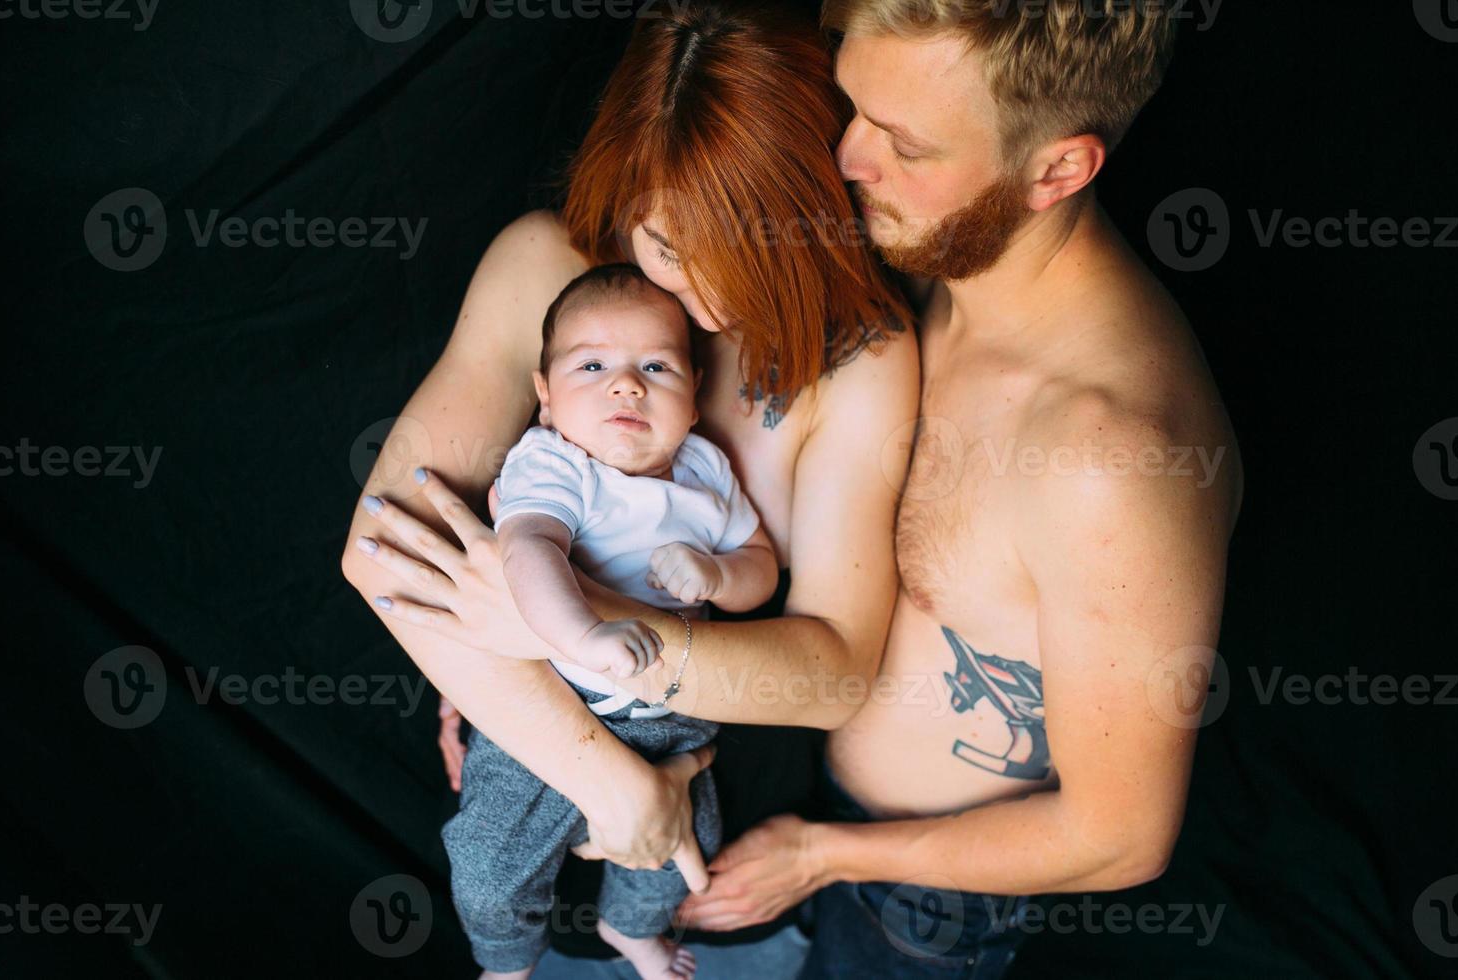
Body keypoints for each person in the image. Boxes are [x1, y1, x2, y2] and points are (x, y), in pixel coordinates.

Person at [666, 2, 1246, 977]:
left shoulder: (1108, 456)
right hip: (785, 784)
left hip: (918, 899)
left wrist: (827, 855)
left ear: (1056, 170)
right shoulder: (936, 254)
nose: (848, 159)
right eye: (854, 108)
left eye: (906, 144)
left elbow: (1120, 833)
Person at [341, 2, 918, 974]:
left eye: (743, 254)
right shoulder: (550, 268)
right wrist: (611, 783)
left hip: (722, 862)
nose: (704, 296)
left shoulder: (861, 359)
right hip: (537, 789)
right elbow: (383, 548)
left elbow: (835, 674)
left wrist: (563, 628)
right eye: (664, 244)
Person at [426, 262, 777, 979]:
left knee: (688, 841)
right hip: (551, 708)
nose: (627, 384)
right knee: (489, 862)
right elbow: (527, 553)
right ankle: (506, 959)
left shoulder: (705, 471)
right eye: (593, 365)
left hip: (675, 714)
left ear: (693, 395)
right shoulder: (556, 465)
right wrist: (586, 634)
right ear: (545, 397)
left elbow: (760, 563)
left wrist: (719, 574)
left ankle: (631, 928)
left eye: (656, 365)